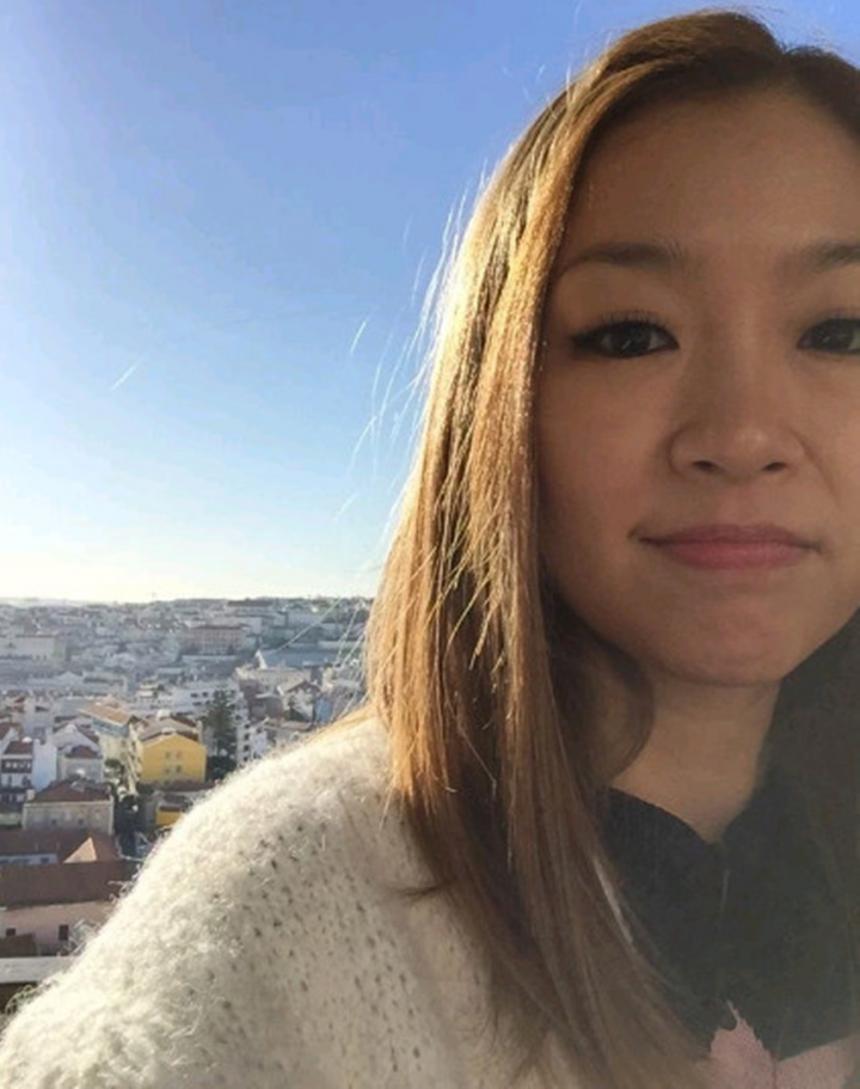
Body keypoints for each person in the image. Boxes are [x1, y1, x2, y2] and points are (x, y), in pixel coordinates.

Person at [2, 7, 859, 1088]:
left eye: (839, 332)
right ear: (501, 410)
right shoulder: (290, 918)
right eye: (632, 334)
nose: (740, 434)